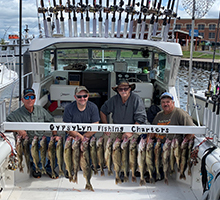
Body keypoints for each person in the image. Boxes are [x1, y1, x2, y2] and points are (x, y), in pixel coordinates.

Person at [6, 88, 58, 179]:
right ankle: (37, 168)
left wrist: (55, 135)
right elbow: (6, 125)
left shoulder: (40, 110)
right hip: (29, 141)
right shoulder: (16, 113)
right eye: (27, 97)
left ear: (35, 98)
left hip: (42, 138)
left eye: (32, 97)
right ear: (22, 100)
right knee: (34, 151)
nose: (30, 99)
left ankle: (50, 167)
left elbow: (51, 121)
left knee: (58, 144)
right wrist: (18, 130)